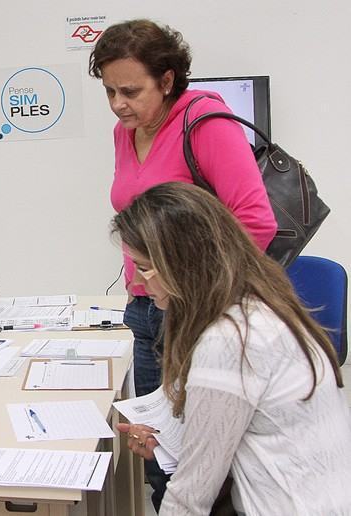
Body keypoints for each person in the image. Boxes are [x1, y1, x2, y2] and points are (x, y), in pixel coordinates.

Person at [88, 19, 278, 509]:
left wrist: (195, 294)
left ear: (167, 80)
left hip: (195, 312)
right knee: (158, 451)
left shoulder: (205, 122)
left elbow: (256, 223)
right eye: (109, 90)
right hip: (146, 307)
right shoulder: (123, 132)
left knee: (204, 463)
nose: (118, 104)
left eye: (130, 91)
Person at [111, 182, 351, 515]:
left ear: (185, 263)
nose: (137, 282)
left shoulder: (229, 341)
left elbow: (190, 496)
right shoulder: (260, 303)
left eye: (145, 267)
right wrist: (174, 445)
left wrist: (189, 457)